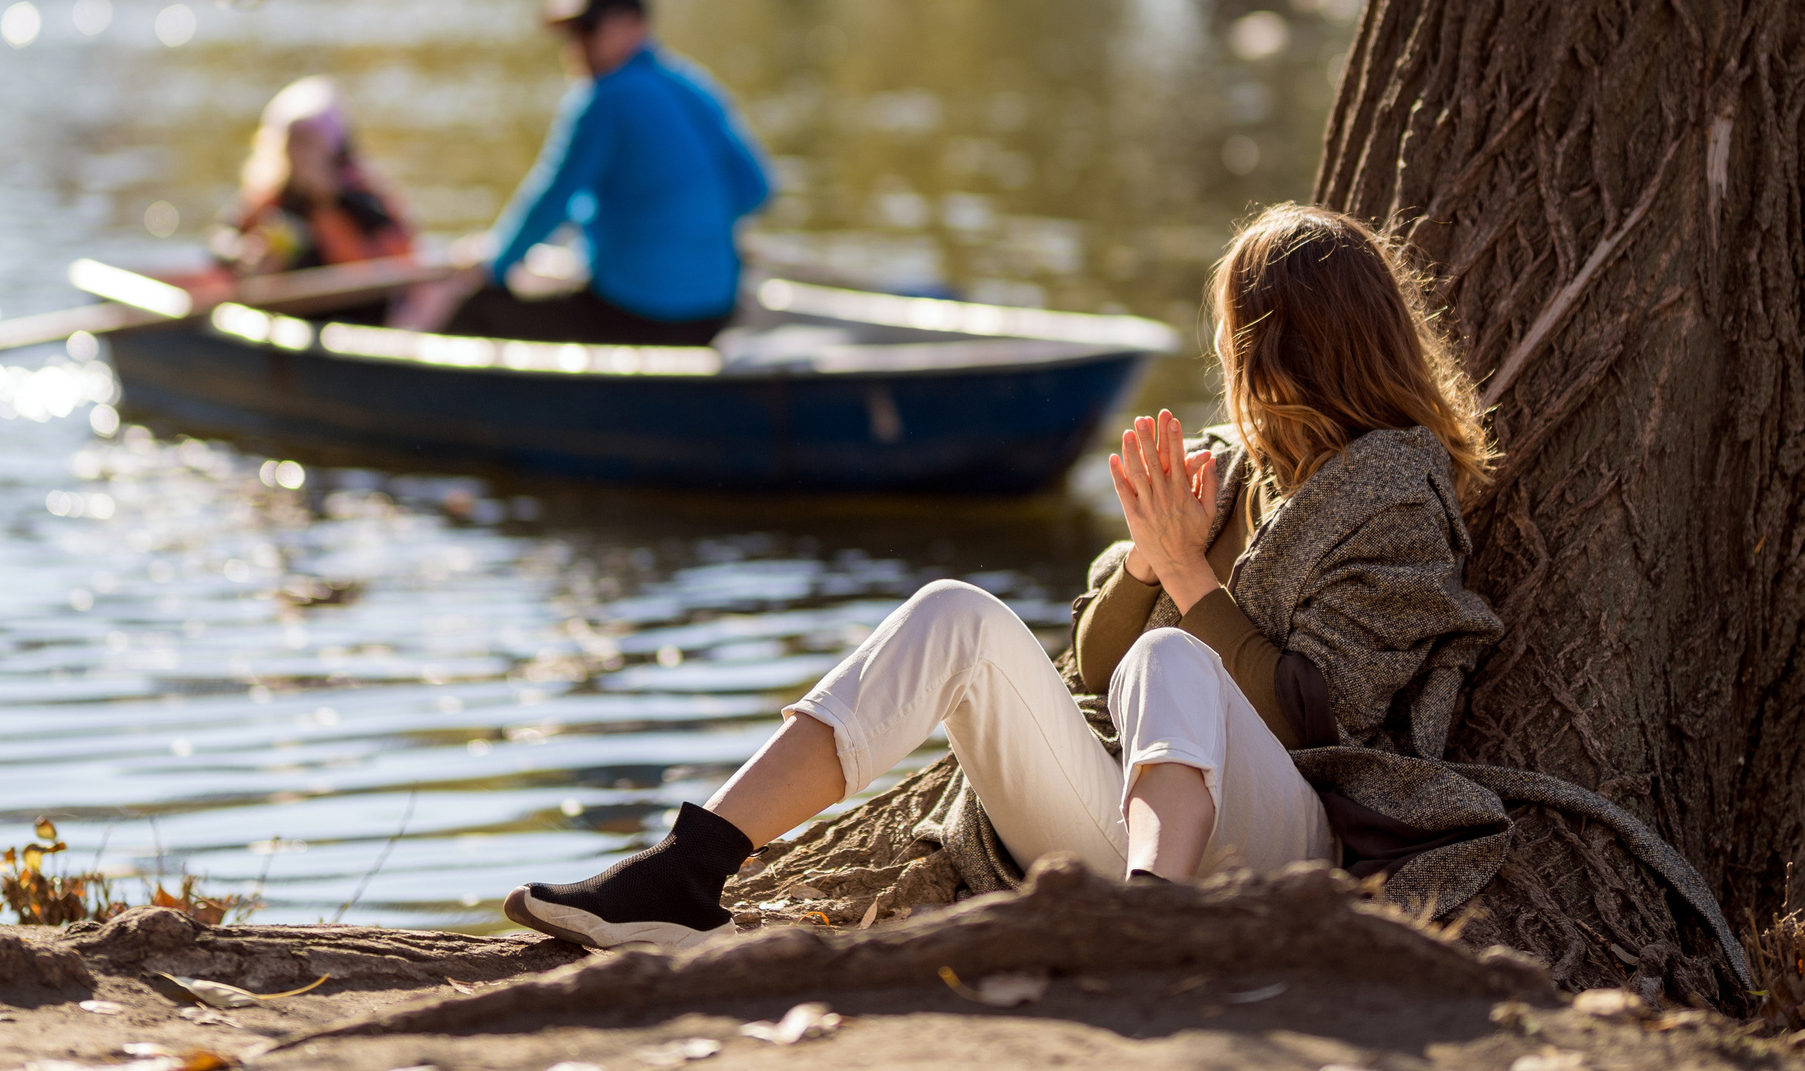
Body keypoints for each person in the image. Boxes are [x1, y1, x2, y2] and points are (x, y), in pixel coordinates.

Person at [500, 202, 1504, 951]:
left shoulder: (1393, 496)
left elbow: (1318, 722)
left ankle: (1147, 934)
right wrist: (1153, 561)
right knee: (955, 614)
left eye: (1241, 330)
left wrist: (1191, 579)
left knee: (1175, 654)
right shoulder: (1225, 467)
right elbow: (1094, 667)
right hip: (1119, 838)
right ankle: (687, 871)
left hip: (1283, 843)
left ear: (1280, 341)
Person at [403, 0, 771, 347]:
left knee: (480, 307)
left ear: (634, 26)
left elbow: (552, 200)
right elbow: (756, 189)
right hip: (716, 308)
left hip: (640, 314)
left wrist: (492, 267)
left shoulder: (604, 98)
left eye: (588, 29)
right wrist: (686, 231)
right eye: (572, 33)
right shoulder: (692, 86)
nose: (575, 46)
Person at [216, 77, 415, 276]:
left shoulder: (362, 194)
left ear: (331, 147)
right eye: (293, 141)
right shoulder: (270, 193)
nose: (299, 153)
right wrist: (243, 253)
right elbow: (223, 237)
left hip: (359, 299)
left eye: (308, 142)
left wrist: (325, 204)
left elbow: (400, 252)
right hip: (293, 296)